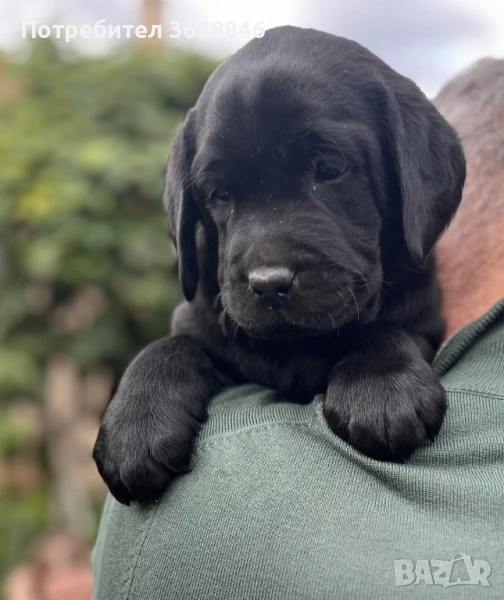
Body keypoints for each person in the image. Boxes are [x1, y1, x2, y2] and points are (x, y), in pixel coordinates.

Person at [92, 59, 504, 599]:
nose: (267, 267)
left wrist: (384, 350)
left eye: (327, 169)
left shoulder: (407, 286)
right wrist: (164, 364)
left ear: (411, 178)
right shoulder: (217, 305)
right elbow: (196, 337)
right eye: (222, 195)